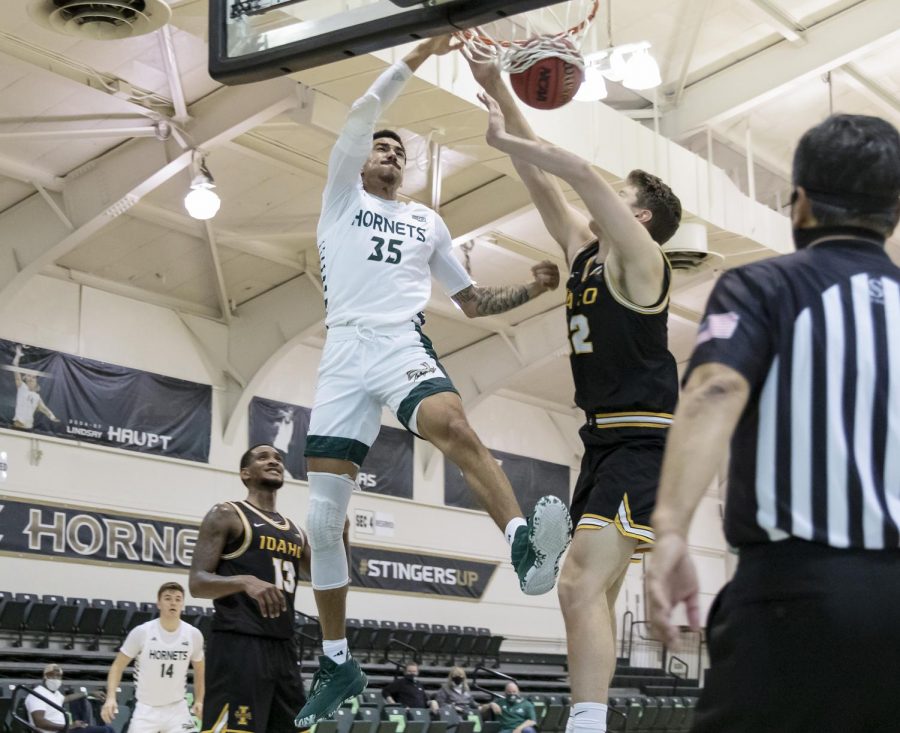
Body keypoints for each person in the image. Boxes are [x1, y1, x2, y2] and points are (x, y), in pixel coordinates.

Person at [295, 34, 572, 727]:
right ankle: (336, 659)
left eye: (398, 149)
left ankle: (523, 544)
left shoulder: (427, 221)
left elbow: (472, 302)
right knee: (323, 520)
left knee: (452, 424)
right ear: (361, 159)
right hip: (341, 354)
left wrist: (531, 289)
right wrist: (420, 54)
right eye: (380, 146)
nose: (388, 152)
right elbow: (360, 111)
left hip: (397, 343)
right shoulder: (338, 198)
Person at [647, 114, 900, 733]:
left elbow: (715, 387)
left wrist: (671, 530)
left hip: (798, 595)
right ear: (893, 211)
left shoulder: (761, 286)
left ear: (802, 204)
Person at [470, 62, 681, 733]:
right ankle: (590, 717)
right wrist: (500, 90)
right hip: (599, 440)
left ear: (638, 215)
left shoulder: (644, 262)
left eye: (622, 194)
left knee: (576, 582)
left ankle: (585, 724)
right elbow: (544, 182)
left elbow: (580, 173)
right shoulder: (584, 251)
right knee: (592, 591)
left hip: (643, 440)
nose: (604, 195)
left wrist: (509, 141)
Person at [190, 444, 324, 733]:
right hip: (239, 642)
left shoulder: (295, 531)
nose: (274, 461)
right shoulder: (227, 514)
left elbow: (331, 579)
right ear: (245, 473)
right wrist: (243, 581)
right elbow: (197, 583)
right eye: (263, 457)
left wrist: (344, 536)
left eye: (278, 458)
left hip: (284, 646)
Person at [101, 581, 204, 732]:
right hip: (146, 709)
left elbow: (200, 670)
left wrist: (199, 700)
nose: (173, 602)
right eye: (168, 598)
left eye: (177, 599)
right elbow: (117, 666)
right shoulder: (142, 632)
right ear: (159, 603)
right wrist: (110, 698)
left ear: (182, 604)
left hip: (177, 709)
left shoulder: (193, 634)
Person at [25, 664, 113, 733]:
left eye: (58, 676)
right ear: (45, 677)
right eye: (52, 675)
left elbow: (65, 698)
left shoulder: (54, 693)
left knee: (109, 729)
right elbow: (40, 723)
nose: (55, 679)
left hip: (64, 729)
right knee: (105, 731)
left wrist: (89, 693)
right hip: (58, 731)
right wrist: (69, 726)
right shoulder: (37, 694)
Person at [11, 344, 59, 429]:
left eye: (33, 377)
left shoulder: (37, 397)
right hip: (18, 426)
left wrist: (52, 416)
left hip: (28, 428)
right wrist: (18, 356)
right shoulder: (22, 387)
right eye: (29, 376)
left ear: (36, 381)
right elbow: (15, 366)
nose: (31, 378)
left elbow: (44, 409)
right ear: (25, 378)